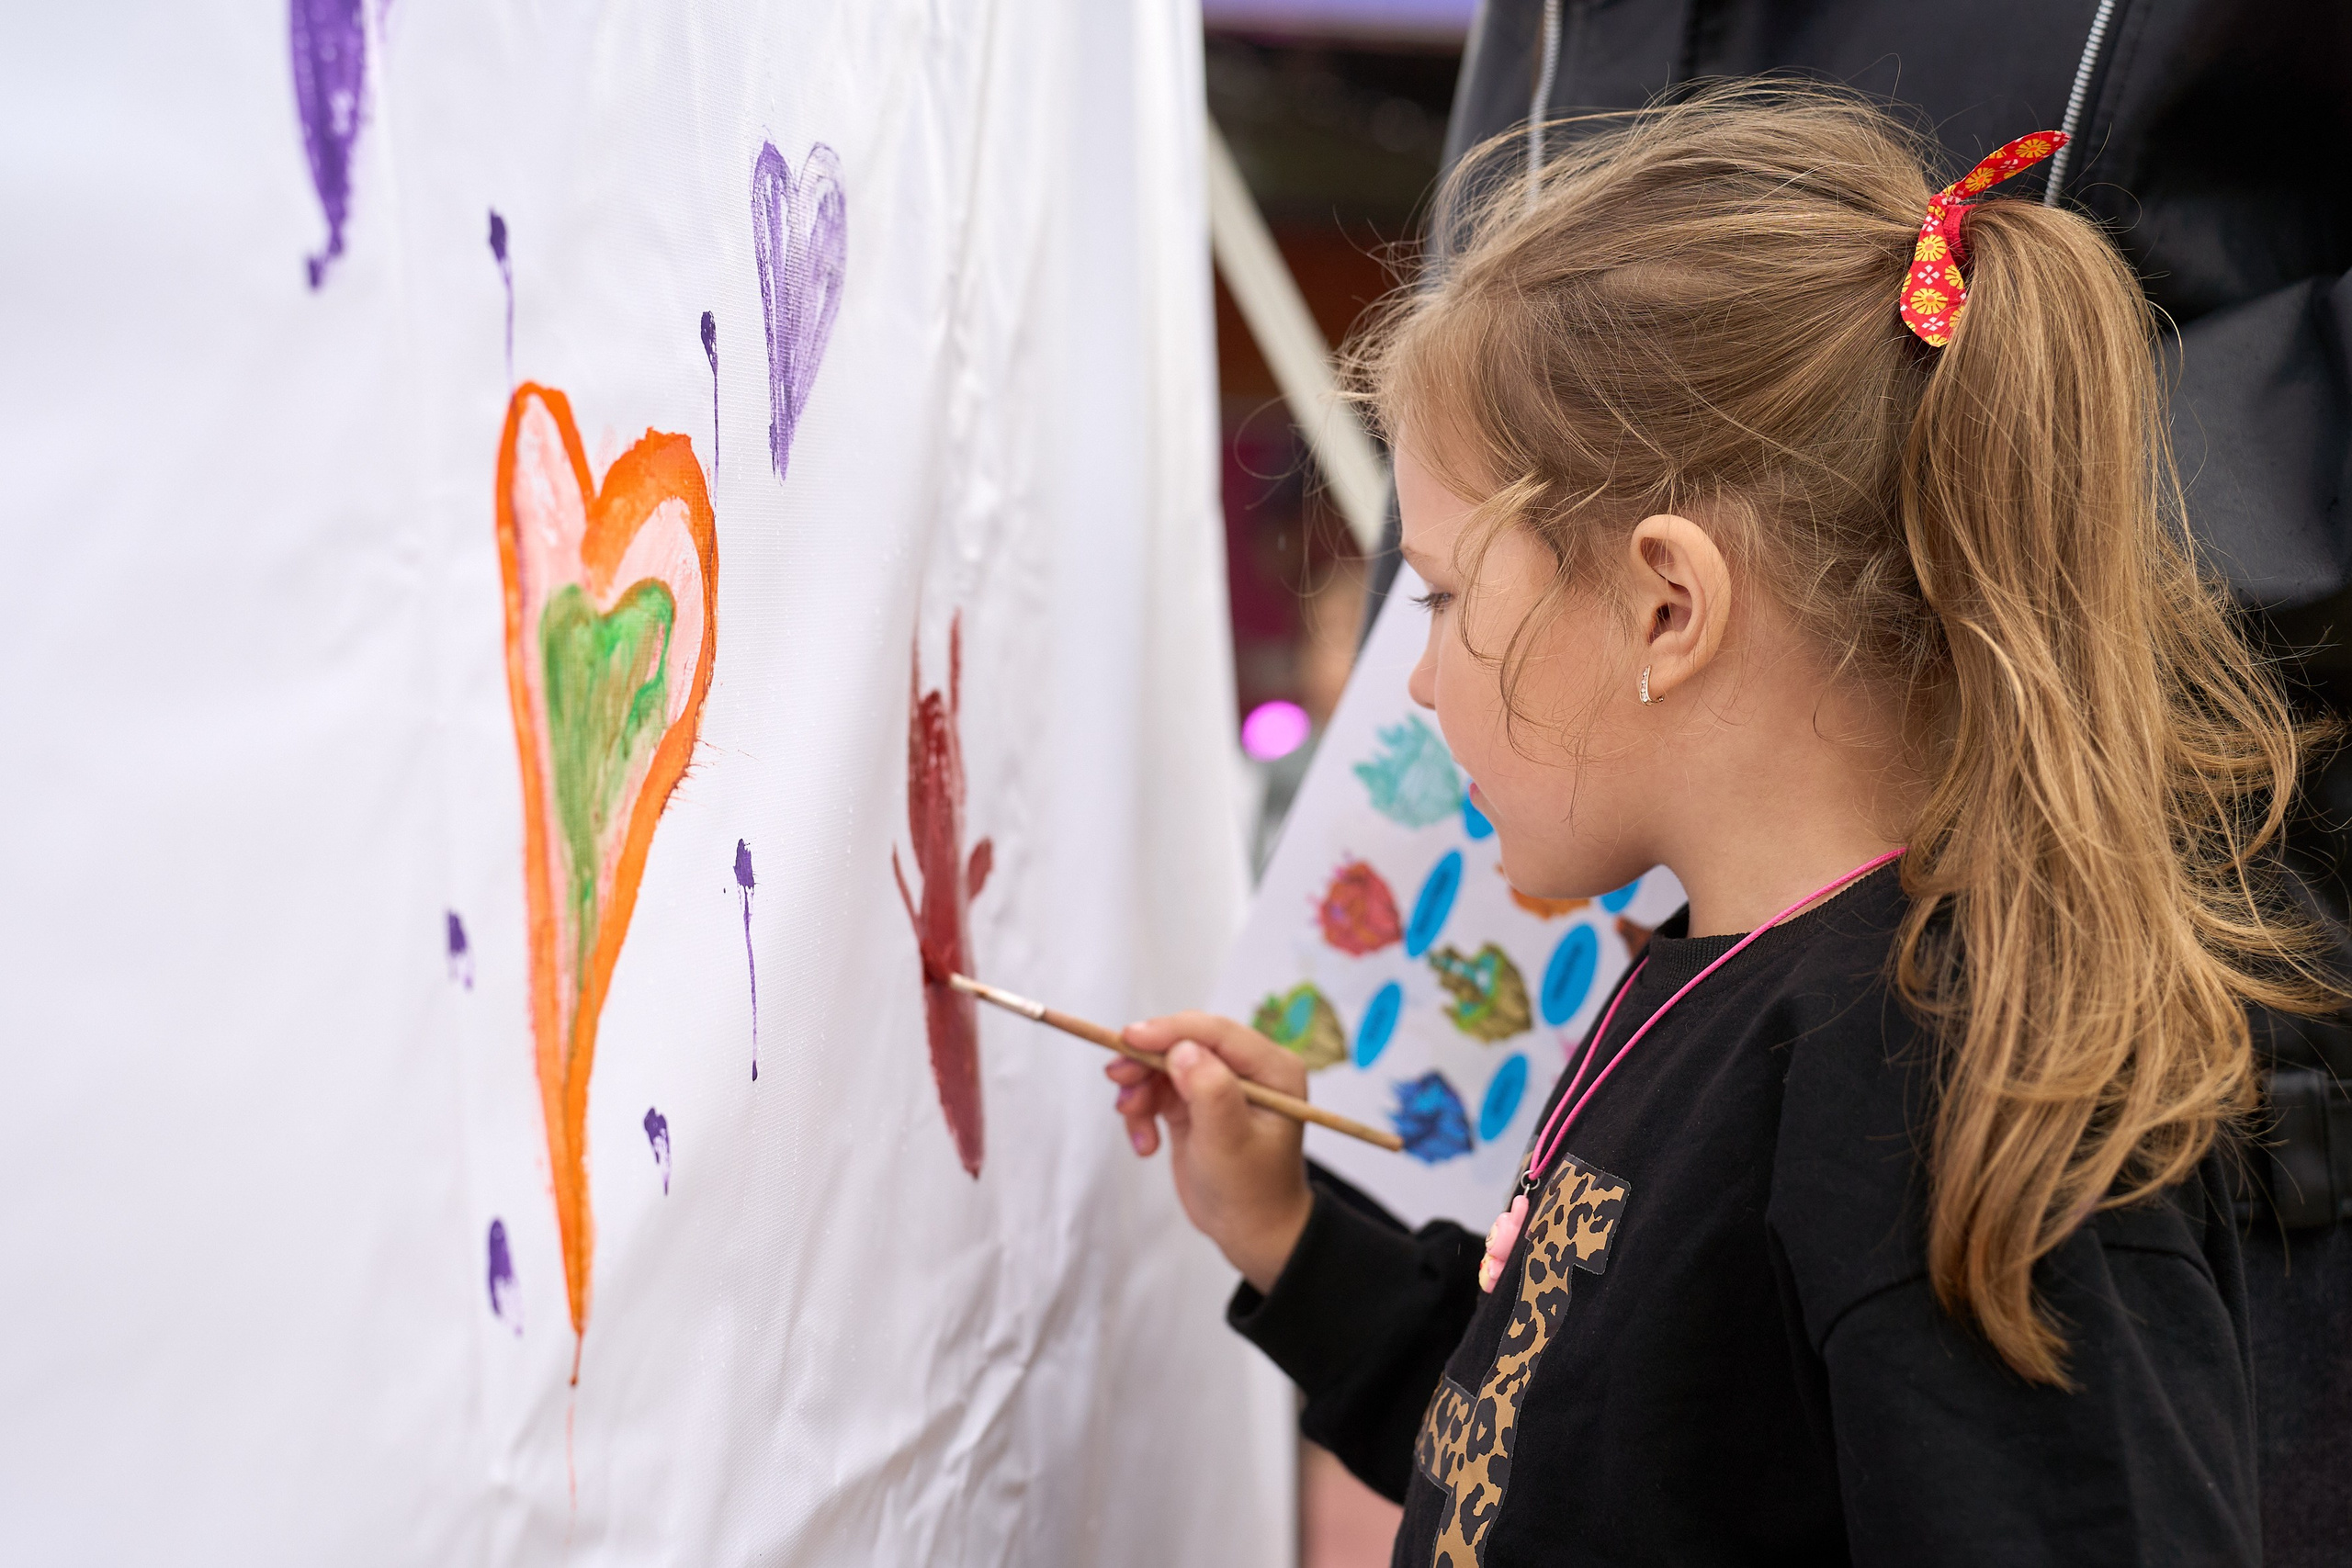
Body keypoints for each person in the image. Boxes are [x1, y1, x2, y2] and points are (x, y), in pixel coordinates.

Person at [1112, 86, 2339, 1565]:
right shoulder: (1731, 976)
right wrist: (1293, 1240)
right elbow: (1580, 1452)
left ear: (1666, 604)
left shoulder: (1939, 1083)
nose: (1422, 680)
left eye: (1442, 599)